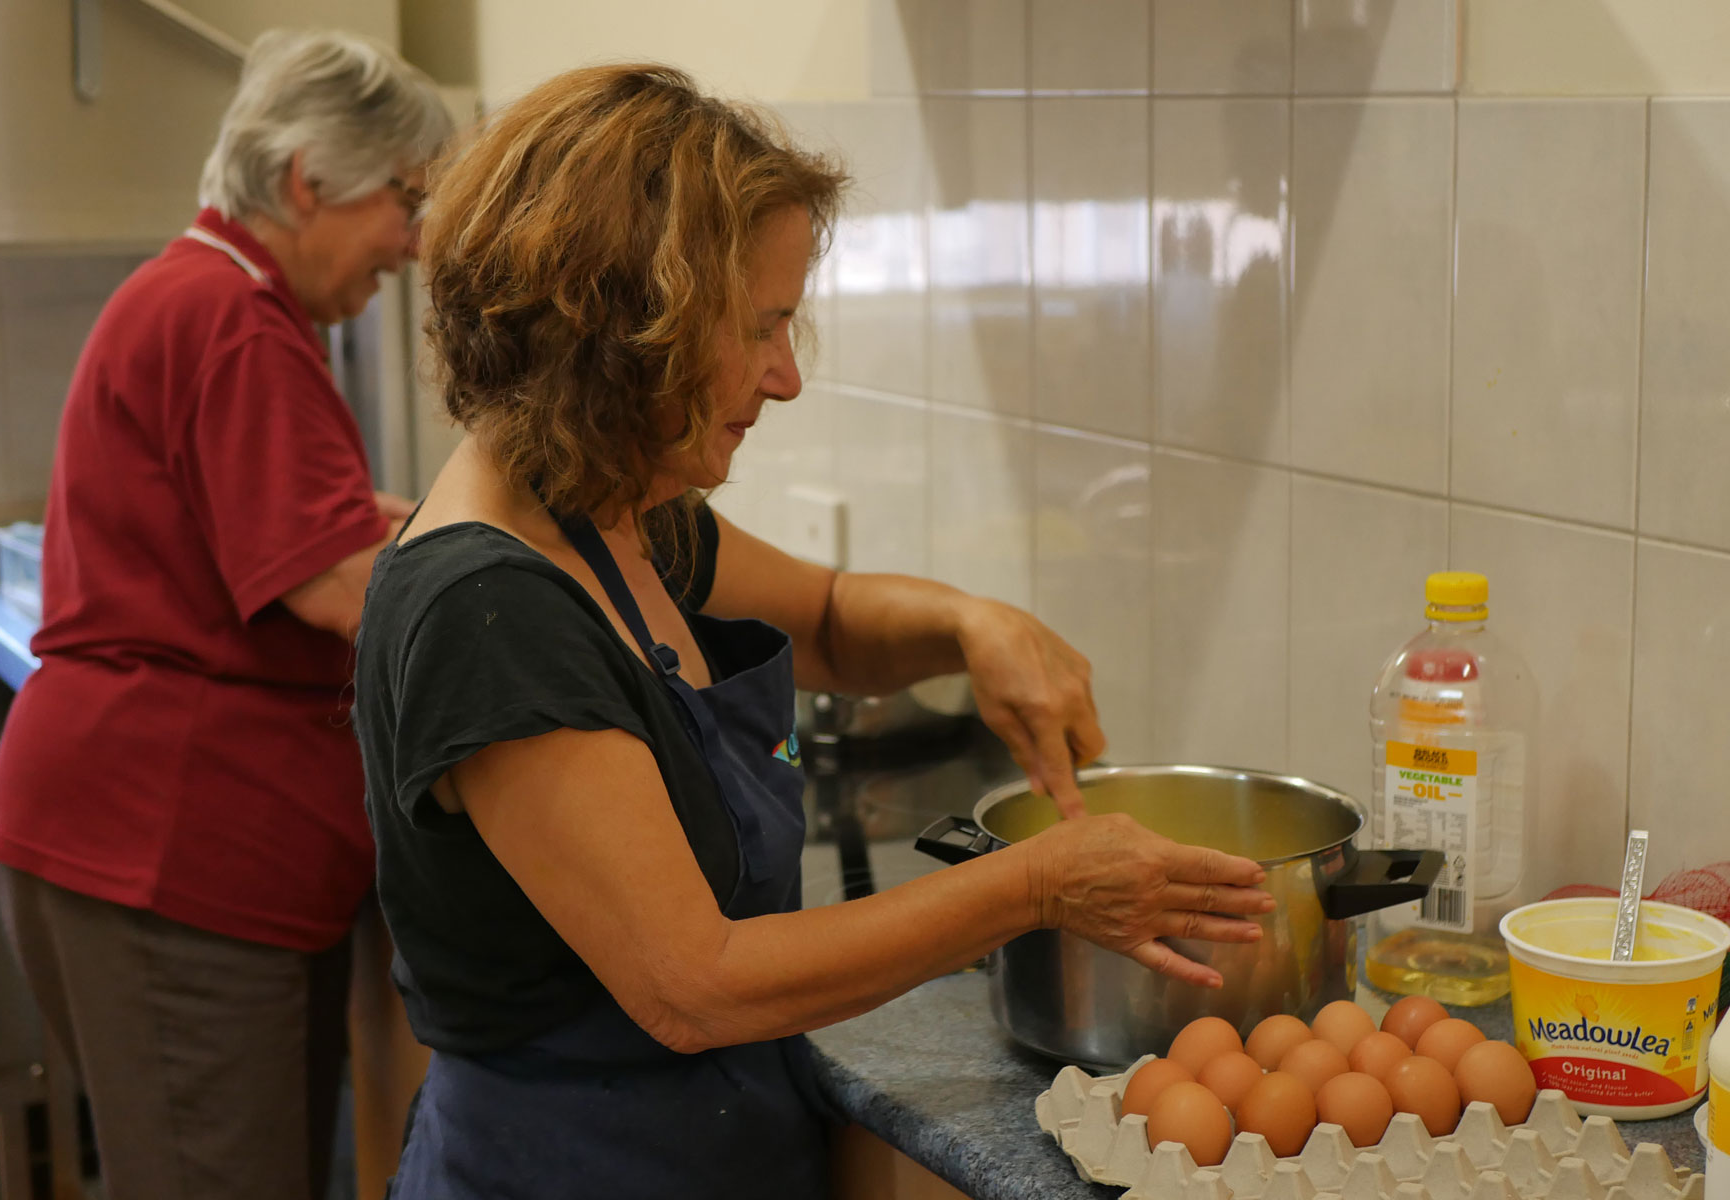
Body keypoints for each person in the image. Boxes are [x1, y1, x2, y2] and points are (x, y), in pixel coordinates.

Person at [355, 63, 1276, 1199]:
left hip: (720, 1145)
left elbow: (833, 622)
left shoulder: (608, 512)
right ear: (624, 329)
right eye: (761, 328)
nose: (786, 379)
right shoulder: (485, 614)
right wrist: (1038, 887)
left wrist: (970, 624)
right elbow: (693, 982)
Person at [0, 29, 452, 1200]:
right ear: (307, 180)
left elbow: (315, 526)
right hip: (169, 855)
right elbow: (342, 583)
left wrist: (437, 526)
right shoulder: (233, 320)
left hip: (173, 852)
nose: (412, 238)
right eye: (404, 199)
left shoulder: (214, 302)